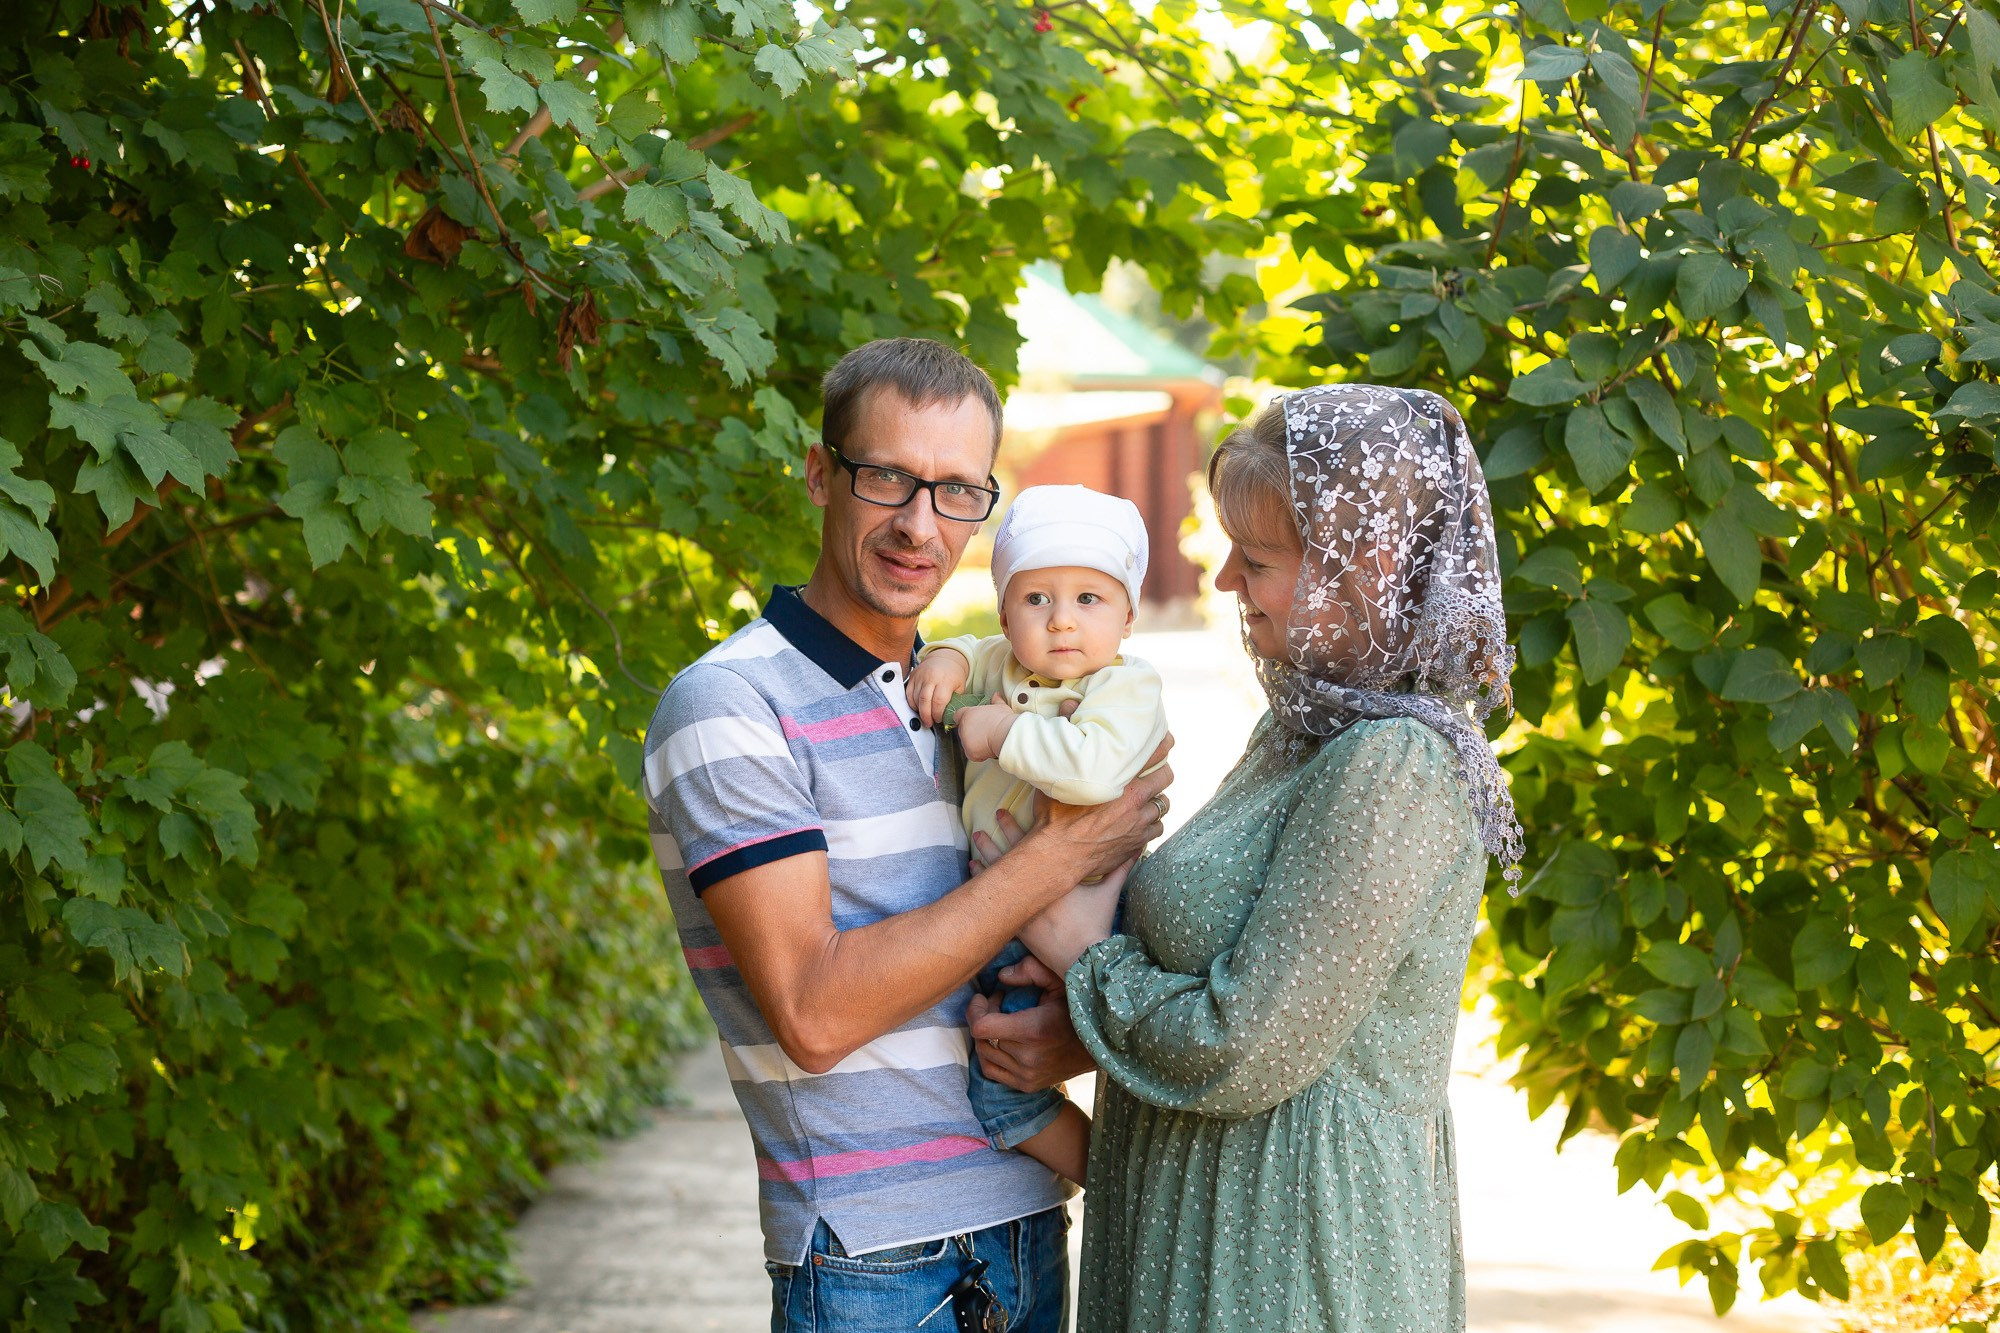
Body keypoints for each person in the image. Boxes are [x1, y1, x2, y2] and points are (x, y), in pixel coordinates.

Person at [641, 338, 1173, 1333]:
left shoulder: (975, 699)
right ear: (819, 473)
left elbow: (998, 970)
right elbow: (813, 1013)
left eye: (956, 491)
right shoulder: (731, 704)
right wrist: (1058, 853)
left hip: (1027, 1226)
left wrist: (1066, 1038)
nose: (920, 524)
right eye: (885, 476)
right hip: (873, 1262)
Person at [998, 384, 1526, 1332]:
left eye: (1258, 558)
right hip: (1206, 1227)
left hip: (1290, 1261)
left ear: (1362, 568)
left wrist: (1082, 956)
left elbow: (1246, 1044)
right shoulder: (1304, 730)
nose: (1226, 581)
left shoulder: (1398, 763)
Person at [907, 484, 1170, 1185]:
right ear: (1004, 612)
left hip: (1082, 914)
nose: (1061, 621)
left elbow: (1092, 772)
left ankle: (1128, 1194)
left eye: (1089, 598)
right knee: (999, 1053)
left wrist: (1004, 731)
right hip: (1004, 914)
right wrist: (946, 662)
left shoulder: (1125, 686)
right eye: (1035, 599)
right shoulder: (1003, 660)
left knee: (1003, 1092)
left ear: (1128, 614)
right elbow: (965, 648)